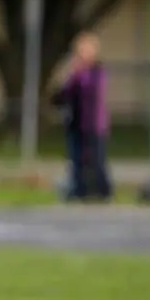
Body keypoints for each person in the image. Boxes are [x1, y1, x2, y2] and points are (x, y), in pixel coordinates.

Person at [51, 32, 112, 201]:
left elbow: (91, 91)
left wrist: (77, 75)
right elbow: (63, 95)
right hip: (75, 123)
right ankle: (79, 190)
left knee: (96, 159)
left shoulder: (97, 72)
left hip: (93, 123)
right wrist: (70, 77)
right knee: (76, 159)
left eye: (86, 50)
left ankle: (103, 191)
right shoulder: (75, 74)